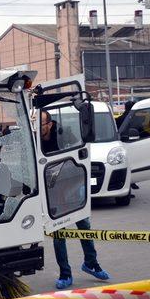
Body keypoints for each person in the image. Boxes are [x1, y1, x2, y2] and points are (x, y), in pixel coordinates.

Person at [38, 110, 110, 289]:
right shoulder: (36, 141)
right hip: (52, 192)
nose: (38, 129)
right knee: (58, 233)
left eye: (41, 125)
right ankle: (65, 273)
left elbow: (78, 156)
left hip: (69, 186)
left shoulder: (64, 135)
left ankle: (91, 263)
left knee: (84, 226)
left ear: (50, 124)